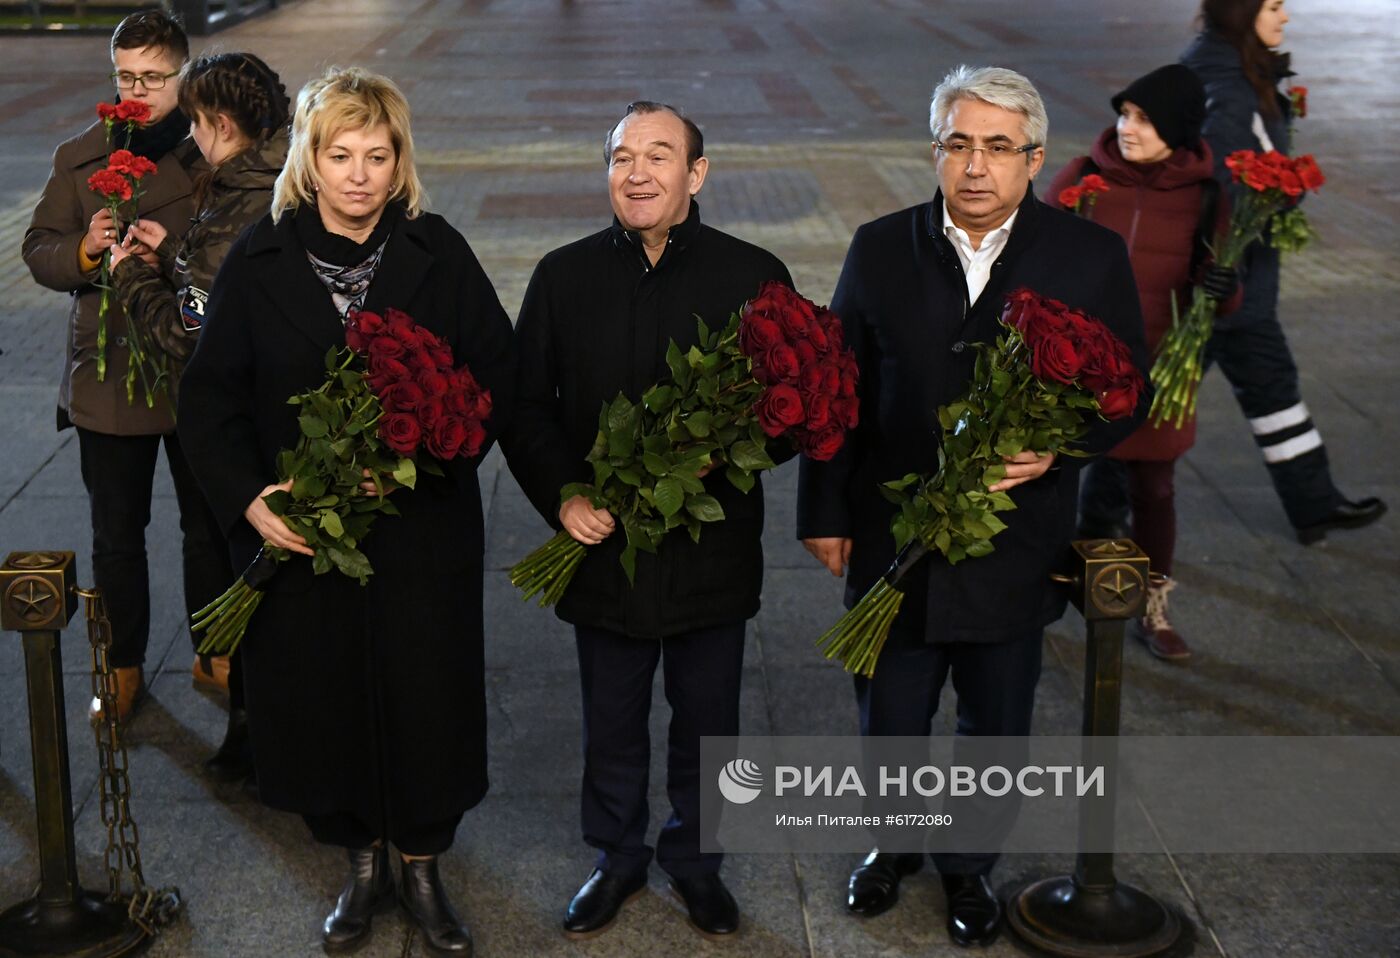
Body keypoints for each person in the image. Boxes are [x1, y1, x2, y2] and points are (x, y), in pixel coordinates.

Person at [797, 66, 1149, 948]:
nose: (977, 166)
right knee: (891, 715)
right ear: (935, 153)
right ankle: (892, 847)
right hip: (893, 540)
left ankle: (967, 869)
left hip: (1014, 543)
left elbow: (1126, 394)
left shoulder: (1088, 256)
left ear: (1033, 159)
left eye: (999, 147)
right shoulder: (879, 247)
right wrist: (824, 511)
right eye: (960, 145)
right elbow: (837, 390)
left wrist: (1060, 450)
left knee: (996, 724)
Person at [176, 67, 515, 955]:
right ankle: (361, 869)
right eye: (340, 154)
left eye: (377, 154)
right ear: (310, 162)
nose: (359, 173)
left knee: (426, 698)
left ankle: (426, 866)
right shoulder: (261, 258)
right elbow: (208, 402)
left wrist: (429, 459)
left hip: (420, 537)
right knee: (323, 701)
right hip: (307, 541)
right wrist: (252, 502)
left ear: (399, 162)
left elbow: (495, 382)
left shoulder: (438, 252)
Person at [502, 101, 792, 939]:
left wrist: (728, 458)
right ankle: (617, 857)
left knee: (709, 716)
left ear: (696, 175)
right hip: (604, 547)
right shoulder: (563, 275)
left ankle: (697, 860)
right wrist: (564, 496)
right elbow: (526, 407)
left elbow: (791, 411)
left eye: (659, 157)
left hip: (711, 544)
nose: (637, 173)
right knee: (613, 716)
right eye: (622, 157)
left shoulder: (754, 274)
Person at [1077, 0, 1385, 546]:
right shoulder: (1227, 83)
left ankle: (1313, 502)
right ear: (1244, 13)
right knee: (1151, 404)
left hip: (1237, 280)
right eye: (1273, 5)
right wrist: (1276, 199)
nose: (1284, 17)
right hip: (1214, 282)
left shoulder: (1236, 69)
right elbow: (1222, 182)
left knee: (1268, 384)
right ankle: (1098, 521)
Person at [22, 9, 220, 722]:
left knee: (210, 523)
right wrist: (83, 249)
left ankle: (214, 649)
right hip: (109, 378)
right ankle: (124, 664)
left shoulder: (213, 161)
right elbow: (39, 246)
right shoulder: (80, 157)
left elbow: (234, 261)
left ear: (183, 77)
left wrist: (171, 249)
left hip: (190, 367)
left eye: (152, 78)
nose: (136, 93)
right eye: (125, 77)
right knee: (116, 534)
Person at [108, 51, 292, 779]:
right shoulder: (273, 178)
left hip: (244, 425)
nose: (191, 137)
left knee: (251, 578)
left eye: (195, 123)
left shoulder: (240, 195)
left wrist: (131, 278)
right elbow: (218, 293)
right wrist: (178, 255)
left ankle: (258, 737)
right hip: (275, 409)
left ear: (221, 124)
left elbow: (192, 331)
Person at [1046, 65, 1242, 662]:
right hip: (1074, 365)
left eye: (1145, 119)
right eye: (1125, 114)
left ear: (1178, 130)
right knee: (1049, 474)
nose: (1127, 128)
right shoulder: (1083, 177)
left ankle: (1153, 602)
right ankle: (1039, 583)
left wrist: (1223, 286)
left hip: (1158, 367)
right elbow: (1035, 256)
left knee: (1153, 487)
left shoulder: (1208, 196)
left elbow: (1225, 301)